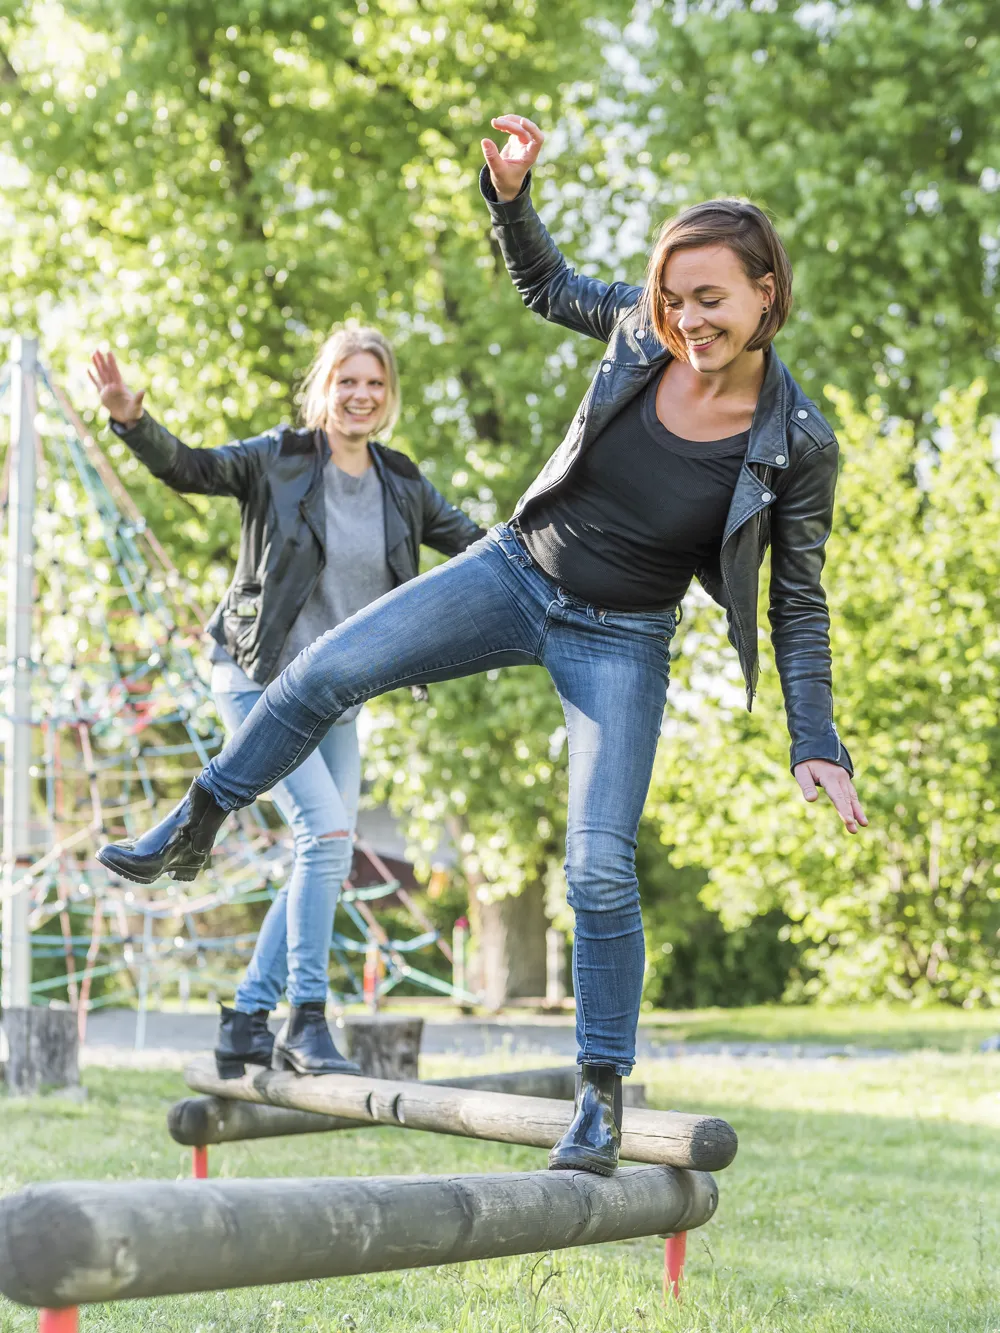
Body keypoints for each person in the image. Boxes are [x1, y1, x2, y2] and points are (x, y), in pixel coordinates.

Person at [98, 115, 866, 1175]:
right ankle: (196, 819)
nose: (687, 320)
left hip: (624, 639)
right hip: (515, 572)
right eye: (673, 298)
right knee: (321, 671)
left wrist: (813, 733)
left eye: (712, 300)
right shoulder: (638, 332)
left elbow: (799, 602)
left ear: (765, 294)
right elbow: (548, 285)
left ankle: (598, 1097)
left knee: (598, 867)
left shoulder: (798, 440)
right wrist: (509, 195)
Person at [90, 328, 482, 1079]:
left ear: (387, 393)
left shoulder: (402, 484)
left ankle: (245, 1018)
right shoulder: (280, 459)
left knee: (325, 858)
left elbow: (477, 544)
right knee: (328, 833)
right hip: (257, 679)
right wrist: (133, 422)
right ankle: (305, 1020)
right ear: (325, 388)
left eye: (374, 383)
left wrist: (565, 554)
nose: (360, 395)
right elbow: (193, 468)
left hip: (338, 698)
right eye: (347, 382)